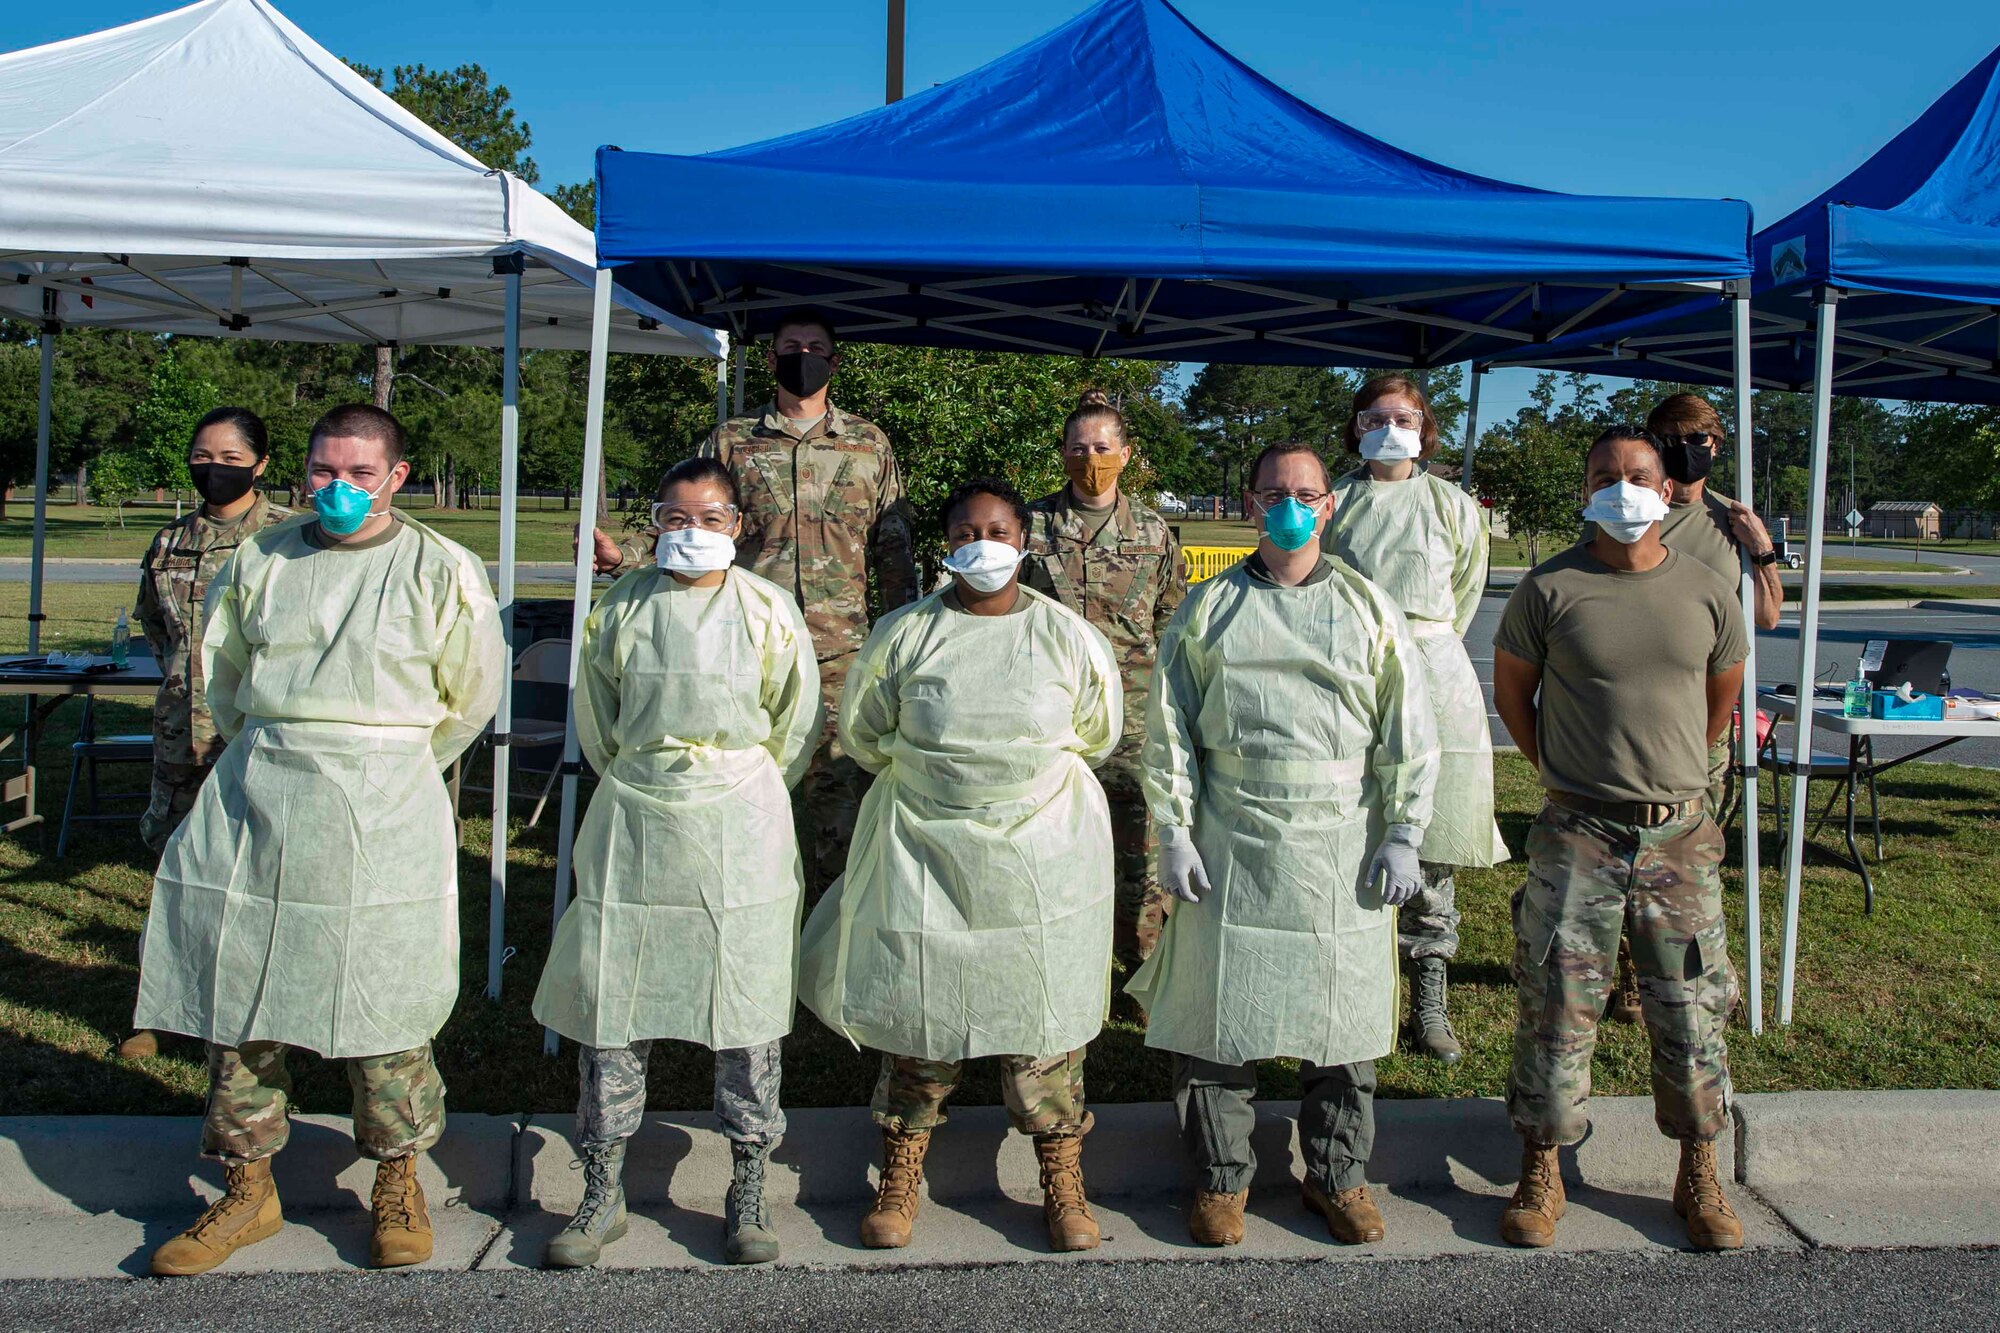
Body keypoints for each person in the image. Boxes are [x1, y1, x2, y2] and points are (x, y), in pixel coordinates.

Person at [135, 404, 504, 1276]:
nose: (338, 489)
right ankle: (247, 1182)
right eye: (324, 471)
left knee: (383, 991)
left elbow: (469, 696)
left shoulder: (440, 567)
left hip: (384, 804)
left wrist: (383, 758)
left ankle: (397, 1175)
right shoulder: (261, 557)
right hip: (262, 790)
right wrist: (278, 746)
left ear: (397, 477)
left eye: (359, 474)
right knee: (242, 988)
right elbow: (222, 675)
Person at [796, 478, 1122, 1255]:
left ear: (1024, 540)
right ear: (946, 545)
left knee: (1040, 1014)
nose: (985, 543)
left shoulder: (1067, 636)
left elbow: (1097, 729)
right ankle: (900, 1172)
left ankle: (1062, 1177)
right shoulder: (905, 634)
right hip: (926, 849)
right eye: (968, 530)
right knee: (922, 1008)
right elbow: (869, 732)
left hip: (1040, 853)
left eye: (1000, 529)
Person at [1129, 440, 1439, 1249]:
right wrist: (1174, 829)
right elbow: (1169, 731)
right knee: (1216, 1013)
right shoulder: (1209, 608)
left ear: (1329, 505)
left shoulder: (1371, 609)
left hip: (1343, 838)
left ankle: (1337, 1175)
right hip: (1232, 832)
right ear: (1249, 505)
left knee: (1343, 1018)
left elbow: (1409, 729)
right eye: (1273, 492)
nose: (1289, 505)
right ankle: (1222, 1177)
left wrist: (1405, 830)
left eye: (1304, 491)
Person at [532, 457, 820, 1269]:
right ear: (654, 520)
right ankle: (603, 1185)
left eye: (709, 518)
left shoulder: (768, 609)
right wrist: (650, 772)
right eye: (674, 517)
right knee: (614, 998)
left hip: (742, 818)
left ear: (738, 525)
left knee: (746, 999)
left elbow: (795, 723)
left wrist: (740, 779)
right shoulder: (618, 611)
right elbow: (598, 719)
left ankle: (749, 1183)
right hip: (638, 813)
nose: (691, 533)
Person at [1490, 425, 1748, 1252]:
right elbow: (1515, 700)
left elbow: (1718, 704)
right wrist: (1572, 775)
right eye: (1606, 474)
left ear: (1667, 488)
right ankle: (1542, 1166)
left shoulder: (1708, 589)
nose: (1624, 488)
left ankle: (1700, 1170)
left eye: (1638, 474)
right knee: (1557, 1004)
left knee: (1690, 1007)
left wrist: (1670, 783)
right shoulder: (1549, 587)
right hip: (1579, 833)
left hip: (1678, 837)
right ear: (1586, 489)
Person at [591, 307, 918, 901]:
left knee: (840, 807)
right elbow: (690, 525)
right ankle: (739, 917)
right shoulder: (732, 440)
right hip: (743, 649)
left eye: (815, 345)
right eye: (791, 345)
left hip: (840, 652)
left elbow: (892, 547)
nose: (803, 354)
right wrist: (624, 558)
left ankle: (825, 944)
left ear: (834, 361)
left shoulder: (869, 444)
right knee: (743, 800)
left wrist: (905, 635)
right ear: (770, 358)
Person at [1324, 374, 1506, 1066]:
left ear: (1426, 427)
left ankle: (1429, 991)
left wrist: (1419, 645)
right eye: (1374, 416)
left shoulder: (1454, 506)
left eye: (1403, 416)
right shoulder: (1334, 501)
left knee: (1427, 836)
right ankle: (1361, 988)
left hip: (1432, 670)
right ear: (1356, 426)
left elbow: (1464, 591)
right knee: (1352, 828)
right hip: (1351, 674)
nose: (1389, 426)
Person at [1594, 393, 1781, 1025]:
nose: (1684, 444)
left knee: (1693, 848)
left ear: (1716, 444)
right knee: (1625, 849)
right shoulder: (1631, 509)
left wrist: (1760, 551)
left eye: (1697, 435)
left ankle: (1695, 971)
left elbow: (1766, 616)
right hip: (1628, 714)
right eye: (1669, 435)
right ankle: (1627, 976)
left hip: (1704, 716)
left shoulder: (1735, 519)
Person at [118, 408, 293, 1063]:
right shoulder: (168, 541)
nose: (212, 466)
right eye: (201, 454)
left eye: (228, 454)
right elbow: (159, 631)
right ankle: (156, 1008)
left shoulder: (287, 539)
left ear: (260, 462)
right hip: (179, 741)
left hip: (254, 739)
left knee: (256, 875)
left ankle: (255, 1015)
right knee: (173, 872)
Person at [1020, 389, 1187, 972]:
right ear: (1063, 453)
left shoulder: (1152, 530)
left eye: (1102, 446)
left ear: (1126, 452)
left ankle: (1141, 963)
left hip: (1134, 718)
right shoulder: (1031, 525)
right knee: (1054, 840)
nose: (1091, 457)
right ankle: (1065, 957)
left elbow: (1172, 618)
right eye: (1078, 447)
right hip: (1051, 717)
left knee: (1138, 845)